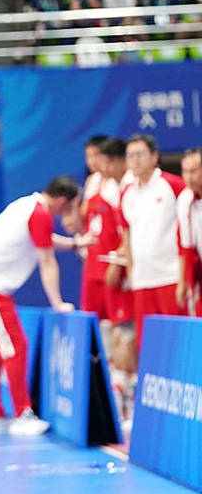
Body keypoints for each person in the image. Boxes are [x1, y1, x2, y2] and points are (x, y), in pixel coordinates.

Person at [0, 176, 91, 435]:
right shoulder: (40, 213)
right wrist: (58, 303)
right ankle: (22, 413)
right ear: (64, 202)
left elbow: (45, 238)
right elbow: (47, 261)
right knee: (15, 347)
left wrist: (76, 244)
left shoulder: (29, 206)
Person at [116, 134, 184, 349]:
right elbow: (127, 232)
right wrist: (131, 271)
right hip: (142, 280)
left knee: (177, 340)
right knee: (148, 344)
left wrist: (185, 277)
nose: (134, 160)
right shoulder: (127, 192)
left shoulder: (172, 185)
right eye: (130, 156)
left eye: (139, 154)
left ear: (154, 157)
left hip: (170, 277)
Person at [89, 139, 137, 429]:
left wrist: (121, 262)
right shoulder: (102, 184)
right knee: (115, 332)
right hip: (112, 267)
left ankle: (129, 398)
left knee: (127, 333)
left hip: (129, 273)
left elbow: (128, 233)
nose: (99, 166)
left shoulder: (127, 187)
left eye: (104, 160)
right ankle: (122, 398)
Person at [177, 147, 202, 318]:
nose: (189, 176)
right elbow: (187, 247)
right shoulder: (185, 200)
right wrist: (184, 282)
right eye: (185, 171)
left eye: (194, 171)